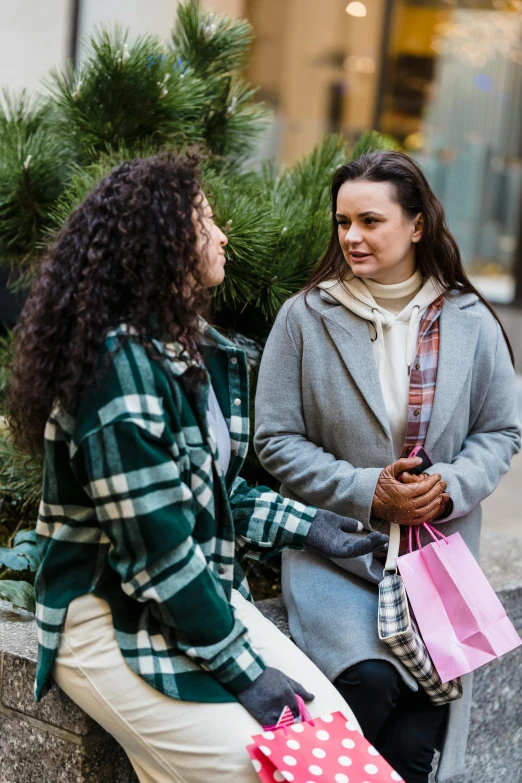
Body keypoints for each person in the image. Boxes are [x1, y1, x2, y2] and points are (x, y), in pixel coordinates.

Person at [7, 152, 389, 783]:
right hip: (108, 617)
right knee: (259, 768)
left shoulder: (188, 350)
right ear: (163, 242)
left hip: (193, 596)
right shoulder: (116, 379)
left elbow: (209, 492)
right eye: (206, 220)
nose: (222, 235)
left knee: (333, 739)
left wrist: (314, 525)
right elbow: (158, 559)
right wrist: (249, 675)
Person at [254, 151, 521, 783]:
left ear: (418, 224)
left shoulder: (470, 320)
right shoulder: (305, 317)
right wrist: (368, 490)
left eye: (370, 221)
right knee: (366, 686)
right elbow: (276, 440)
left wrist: (448, 487)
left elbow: (500, 431)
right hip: (337, 558)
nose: (352, 237)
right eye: (343, 222)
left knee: (413, 744)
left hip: (438, 567)